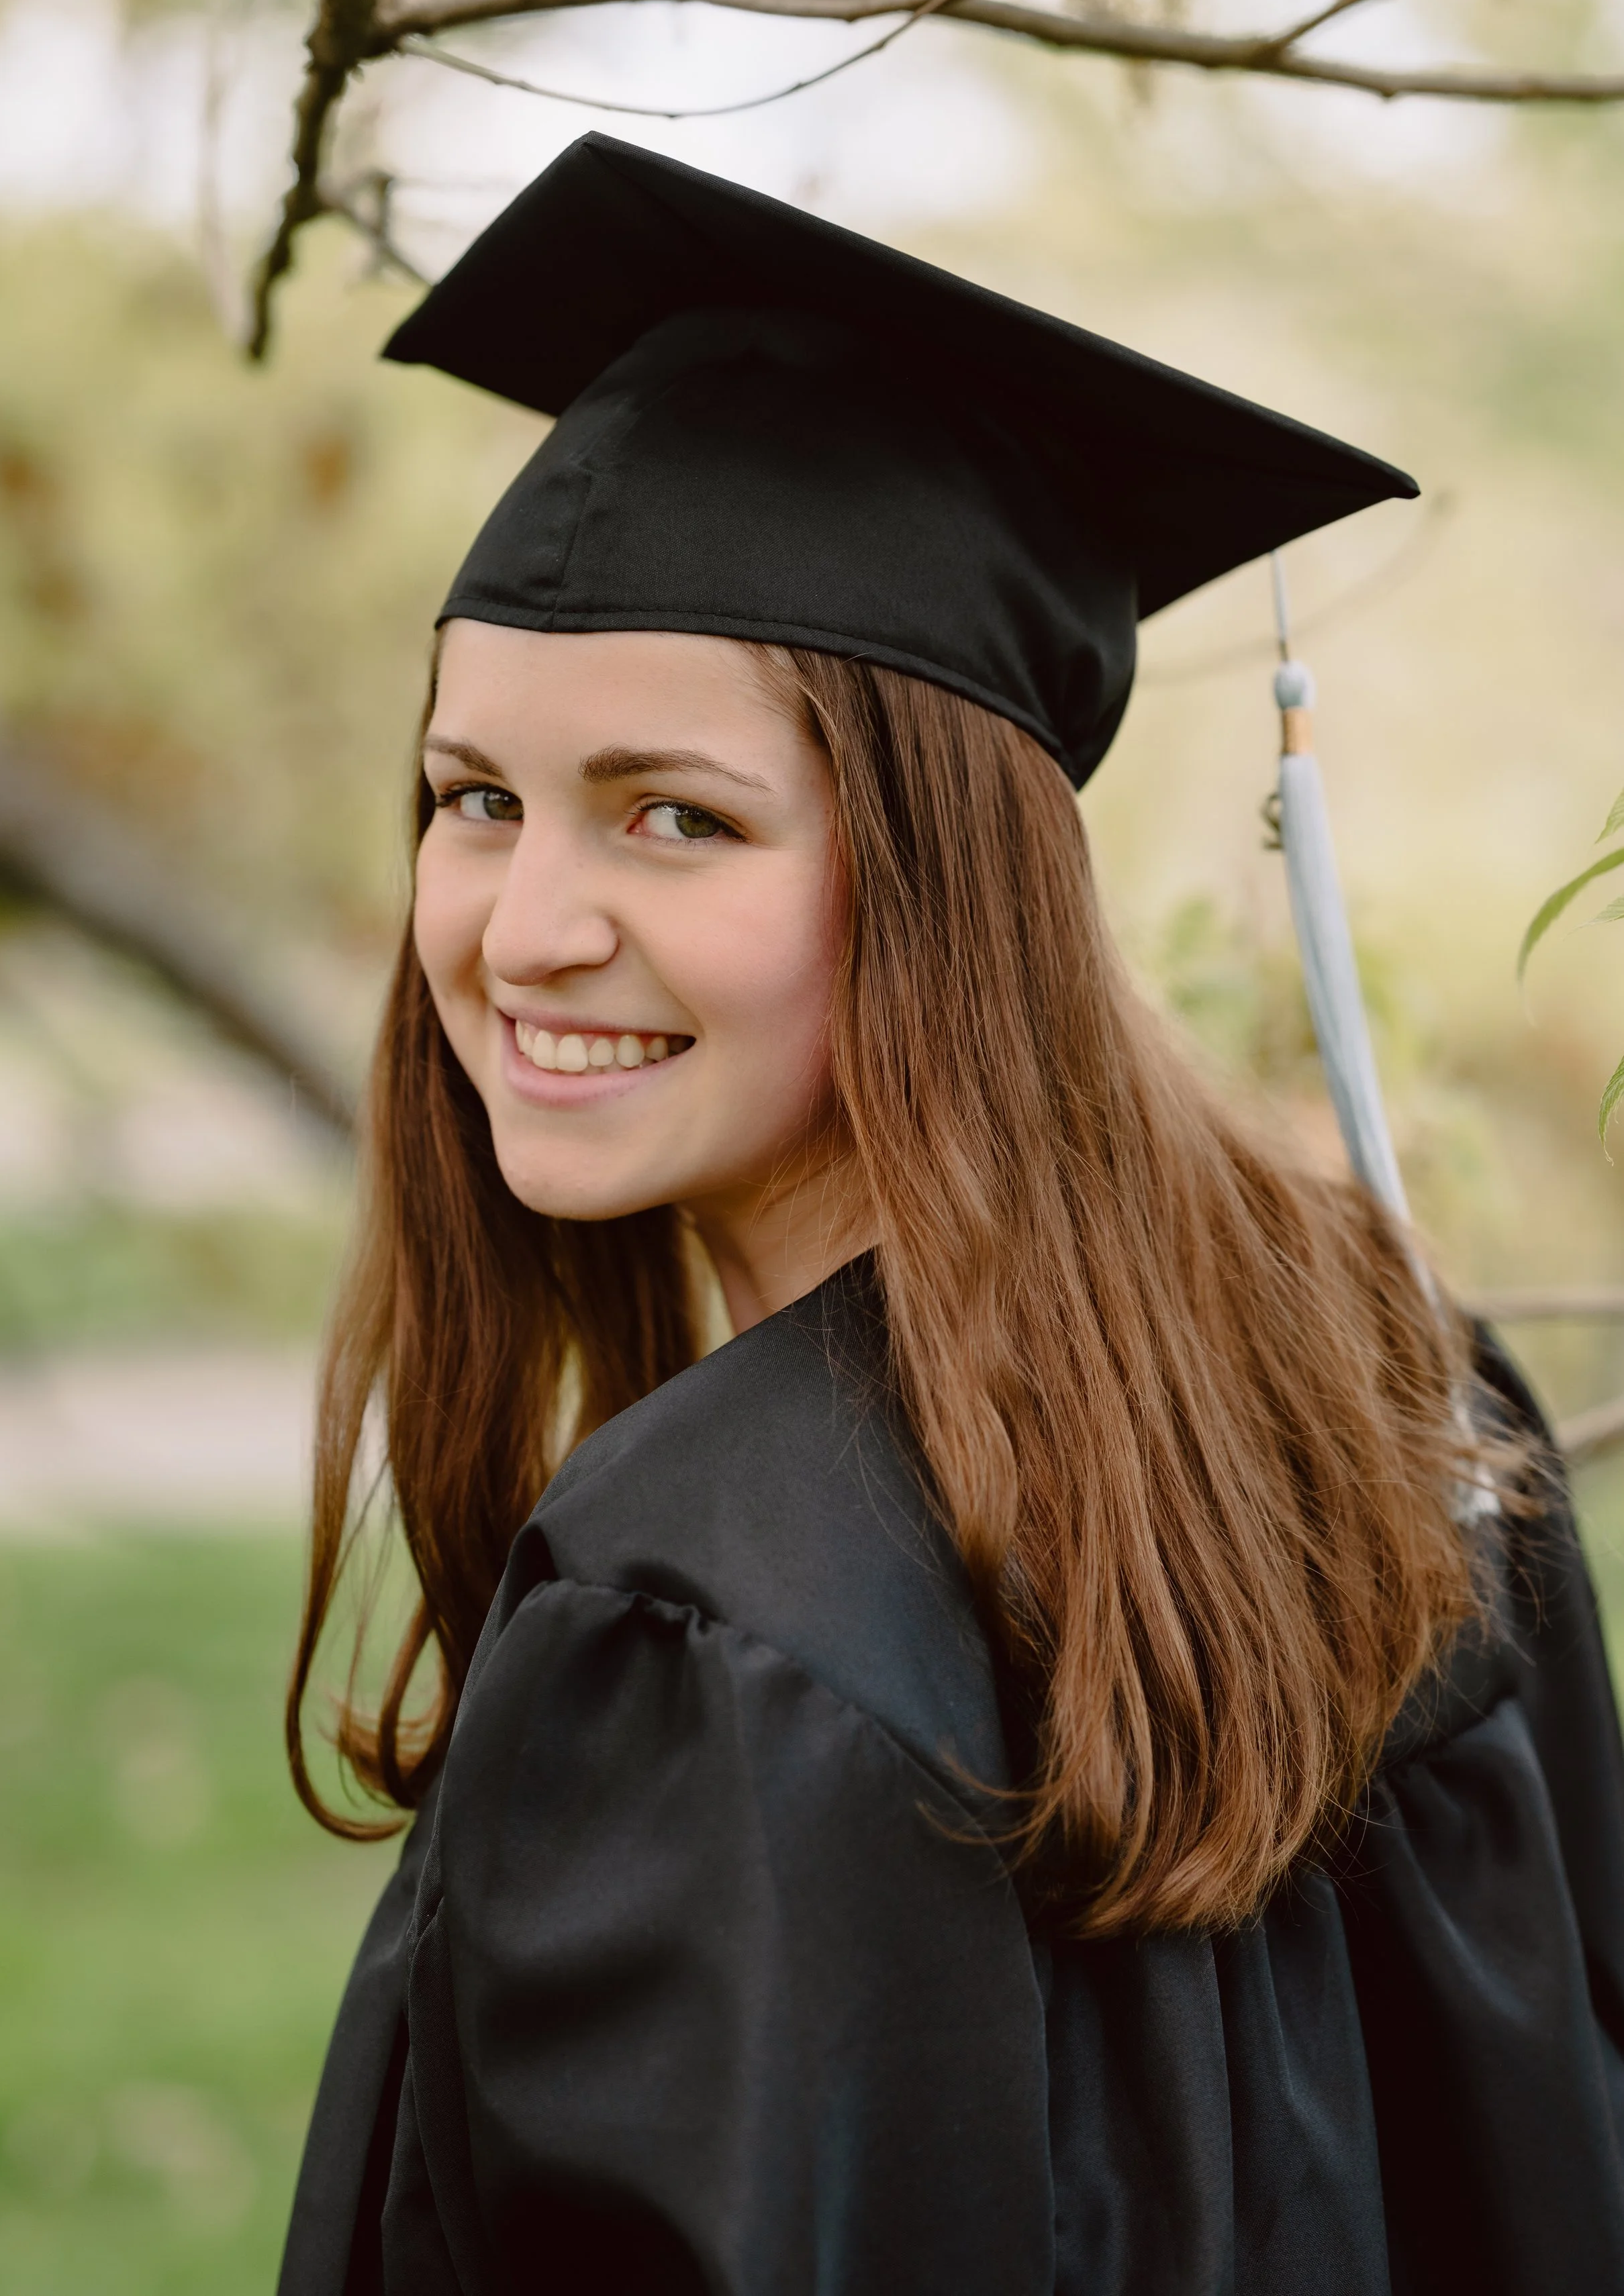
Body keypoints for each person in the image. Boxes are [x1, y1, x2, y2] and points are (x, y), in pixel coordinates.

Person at [277, 137, 1624, 2296]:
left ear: (942, 882)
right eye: (473, 799)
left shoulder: (704, 1612)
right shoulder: (1386, 1391)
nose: (521, 927)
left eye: (675, 817)